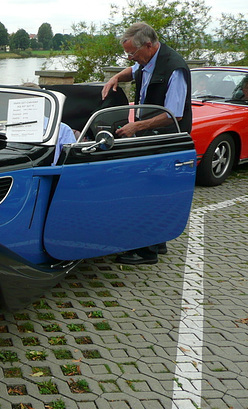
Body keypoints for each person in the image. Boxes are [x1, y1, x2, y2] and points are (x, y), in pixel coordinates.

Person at [101, 22, 192, 265]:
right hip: (151, 136)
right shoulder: (147, 61)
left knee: (150, 190)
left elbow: (174, 114)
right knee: (153, 190)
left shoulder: (175, 68)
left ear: (149, 45)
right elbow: (134, 70)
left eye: (133, 53)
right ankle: (157, 242)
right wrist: (116, 77)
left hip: (167, 139)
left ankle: (146, 252)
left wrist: (136, 126)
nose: (131, 57)